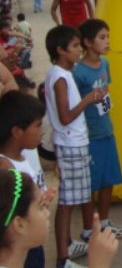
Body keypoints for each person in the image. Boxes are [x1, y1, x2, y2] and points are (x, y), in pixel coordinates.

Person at [44, 25, 106, 267]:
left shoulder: (63, 74)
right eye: (75, 47)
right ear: (60, 50)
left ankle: (67, 245)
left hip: (75, 141)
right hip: (70, 143)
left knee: (76, 196)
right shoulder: (60, 77)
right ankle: (63, 257)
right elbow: (65, 116)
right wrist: (88, 100)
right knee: (68, 202)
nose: (80, 51)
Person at [72, 19, 122, 242]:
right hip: (89, 136)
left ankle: (104, 223)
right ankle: (89, 228)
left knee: (109, 180)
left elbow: (105, 92)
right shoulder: (78, 73)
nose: (107, 42)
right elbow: (74, 104)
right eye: (102, 37)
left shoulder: (105, 64)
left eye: (108, 37)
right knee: (90, 184)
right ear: (87, 42)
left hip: (106, 130)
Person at [0, 91, 50, 267]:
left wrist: (40, 200)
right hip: (20, 243)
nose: (41, 131)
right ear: (17, 131)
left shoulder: (23, 157)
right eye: (37, 126)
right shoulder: (5, 167)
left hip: (30, 236)